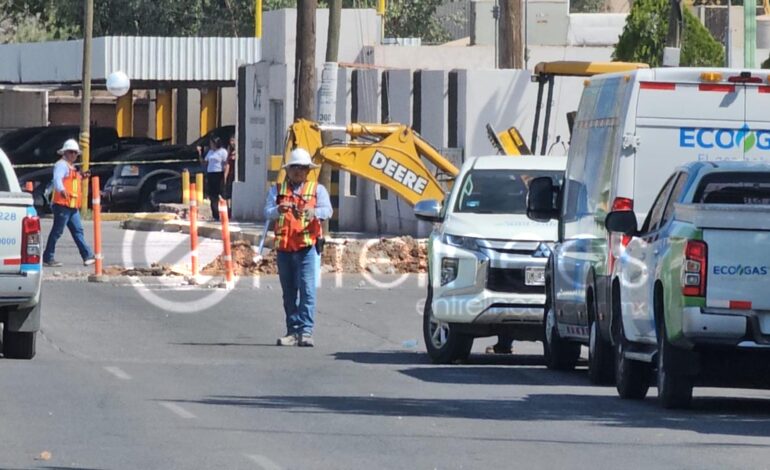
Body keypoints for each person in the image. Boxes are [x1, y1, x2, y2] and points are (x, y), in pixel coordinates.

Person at [264, 148, 332, 347]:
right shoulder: (276, 190)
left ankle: (306, 331)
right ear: (288, 170)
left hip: (307, 248)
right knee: (289, 293)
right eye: (294, 168)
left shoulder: (317, 190)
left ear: (308, 171)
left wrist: (315, 212)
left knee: (307, 290)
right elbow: (267, 212)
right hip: (285, 249)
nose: (298, 172)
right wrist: (278, 209)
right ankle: (293, 331)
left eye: (302, 169)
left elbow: (327, 210)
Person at [42, 139, 95, 268]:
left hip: (71, 205)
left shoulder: (72, 168)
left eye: (75, 153)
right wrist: (62, 190)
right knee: (57, 231)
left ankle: (87, 256)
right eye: (71, 152)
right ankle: (48, 257)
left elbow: (72, 180)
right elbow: (57, 179)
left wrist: (82, 175)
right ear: (64, 152)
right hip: (62, 204)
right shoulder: (61, 165)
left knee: (78, 230)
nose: (73, 155)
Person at [197, 136, 228, 221]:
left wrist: (225, 175)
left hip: (219, 173)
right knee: (213, 195)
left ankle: (226, 213)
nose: (211, 145)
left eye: (212, 143)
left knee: (222, 194)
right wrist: (200, 153)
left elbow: (225, 164)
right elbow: (205, 162)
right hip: (211, 174)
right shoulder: (210, 152)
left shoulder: (223, 152)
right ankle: (215, 215)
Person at [223, 135, 236, 218]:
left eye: (233, 140)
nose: (231, 143)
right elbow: (227, 164)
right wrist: (225, 175)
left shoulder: (239, 151)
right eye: (230, 141)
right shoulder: (229, 151)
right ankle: (228, 209)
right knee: (228, 192)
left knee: (233, 193)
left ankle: (233, 208)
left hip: (236, 175)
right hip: (231, 174)